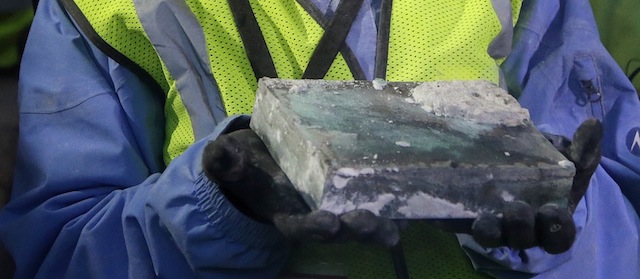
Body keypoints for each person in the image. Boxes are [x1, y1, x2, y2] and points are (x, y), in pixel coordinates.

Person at [0, 0, 638, 278]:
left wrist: (560, 226)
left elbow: (620, 246)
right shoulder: (97, 8)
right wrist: (219, 210)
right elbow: (57, 255)